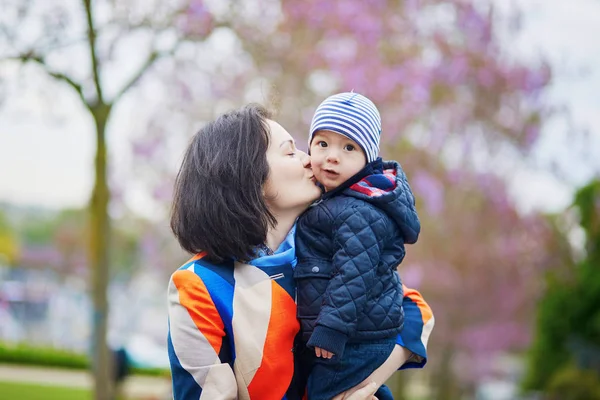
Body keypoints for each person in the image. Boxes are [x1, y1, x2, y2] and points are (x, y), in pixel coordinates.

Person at [167, 104, 434, 400]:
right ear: (249, 177)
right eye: (291, 152)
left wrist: (360, 387)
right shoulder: (199, 286)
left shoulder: (319, 255)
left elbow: (416, 310)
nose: (311, 160)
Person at [294, 92, 420, 400]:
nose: (332, 156)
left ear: (369, 158)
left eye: (349, 147)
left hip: (354, 336)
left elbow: (355, 272)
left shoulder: (359, 210)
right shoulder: (338, 201)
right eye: (322, 143)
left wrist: (333, 329)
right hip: (359, 332)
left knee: (328, 392)